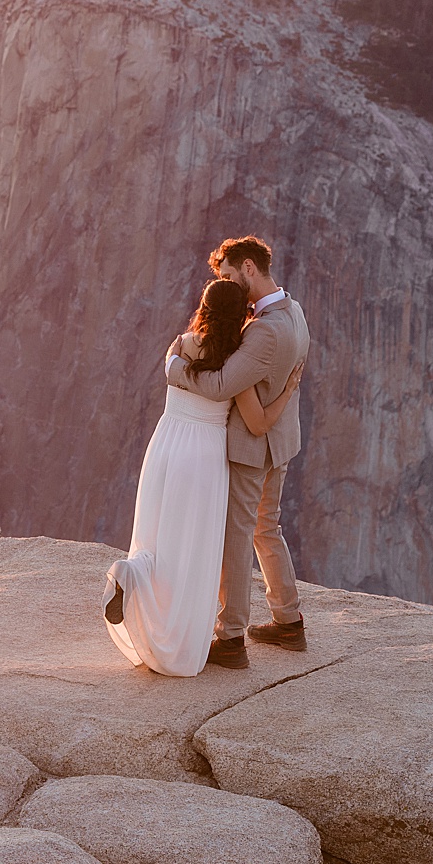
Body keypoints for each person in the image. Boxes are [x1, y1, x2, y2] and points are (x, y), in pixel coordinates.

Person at [105, 277, 303, 677]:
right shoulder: (234, 366)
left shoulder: (179, 346)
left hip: (164, 449)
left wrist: (175, 369)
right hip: (204, 460)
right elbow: (259, 423)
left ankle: (132, 573)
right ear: (242, 316)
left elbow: (179, 372)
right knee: (195, 549)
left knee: (157, 537)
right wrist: (287, 393)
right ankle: (195, 635)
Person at [163, 235, 310, 666]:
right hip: (280, 441)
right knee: (268, 528)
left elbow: (223, 385)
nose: (225, 283)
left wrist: (176, 369)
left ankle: (229, 639)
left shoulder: (262, 332)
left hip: (252, 447)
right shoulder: (293, 310)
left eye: (227, 274)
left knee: (237, 535)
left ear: (248, 268)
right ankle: (288, 621)